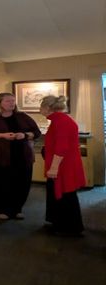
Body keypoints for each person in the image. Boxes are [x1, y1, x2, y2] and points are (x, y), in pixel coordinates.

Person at [0, 93, 41, 219]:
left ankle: (16, 208)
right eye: (8, 101)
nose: (12, 103)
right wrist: (3, 135)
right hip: (0, 155)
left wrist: (25, 135)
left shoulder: (22, 116)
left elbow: (36, 132)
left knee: (21, 182)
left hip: (22, 155)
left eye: (13, 101)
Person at [39, 95, 85, 236]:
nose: (40, 109)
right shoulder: (58, 120)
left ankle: (71, 228)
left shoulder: (61, 121)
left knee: (66, 195)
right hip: (62, 164)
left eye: (41, 106)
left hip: (63, 166)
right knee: (58, 193)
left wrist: (54, 168)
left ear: (47, 108)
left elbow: (62, 147)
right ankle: (59, 223)